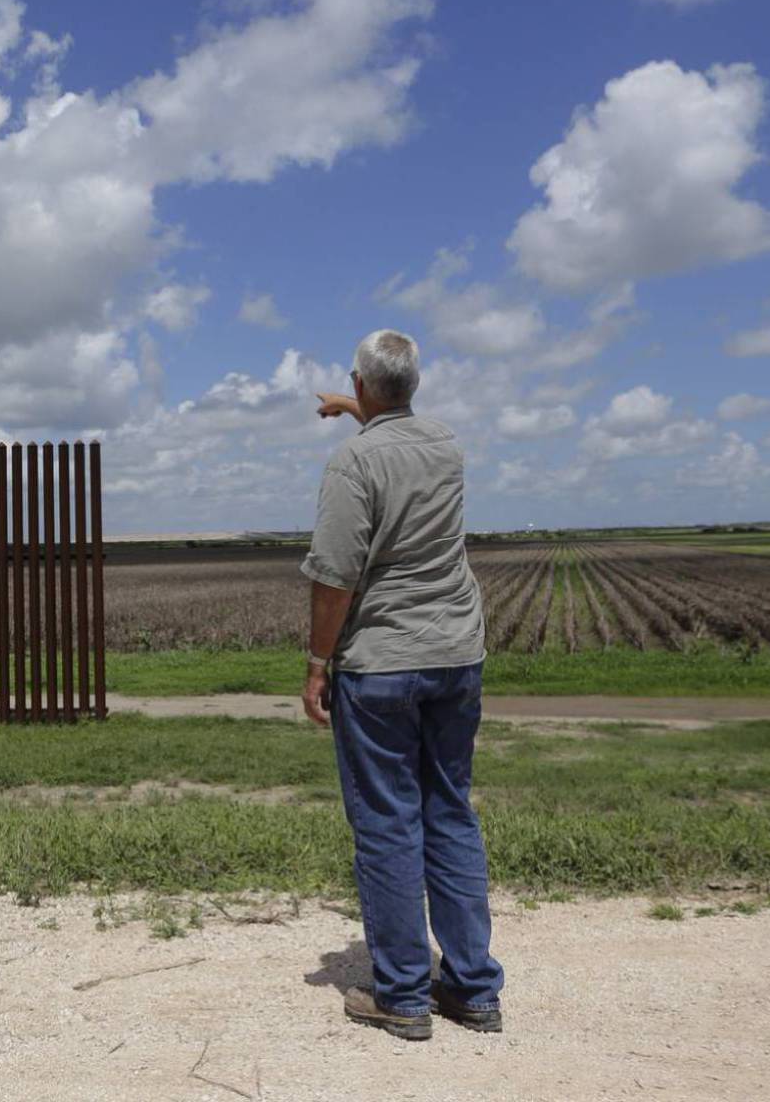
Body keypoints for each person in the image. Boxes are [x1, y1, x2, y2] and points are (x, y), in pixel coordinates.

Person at [301, 329, 504, 1042]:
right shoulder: (446, 445)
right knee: (449, 811)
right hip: (456, 653)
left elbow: (335, 573)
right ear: (412, 386)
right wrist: (359, 408)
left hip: (382, 661)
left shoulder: (351, 464)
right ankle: (474, 989)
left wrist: (318, 663)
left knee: (388, 823)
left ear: (362, 385)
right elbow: (400, 440)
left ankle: (403, 997)